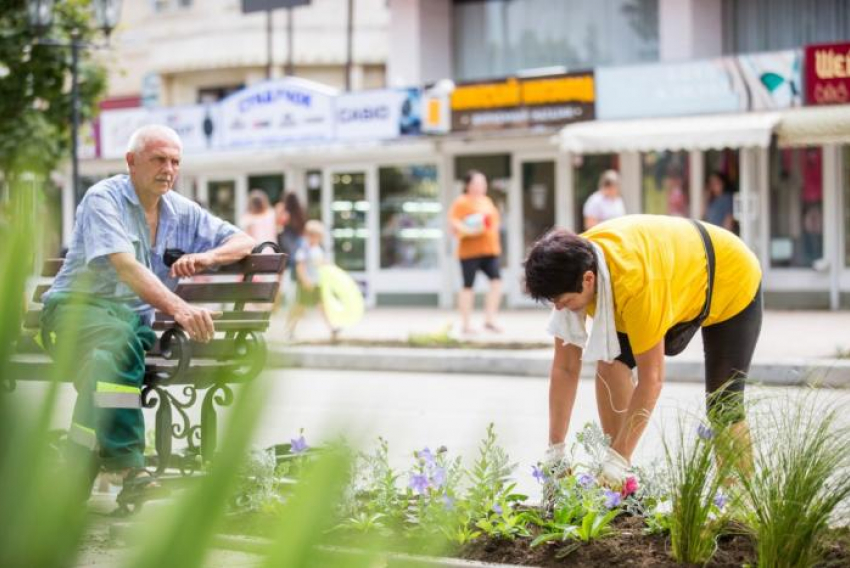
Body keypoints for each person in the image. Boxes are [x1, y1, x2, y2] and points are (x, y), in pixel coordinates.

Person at [40, 124, 255, 505]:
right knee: (119, 342)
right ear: (131, 162)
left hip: (128, 325)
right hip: (75, 312)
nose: (168, 169)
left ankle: (77, 463)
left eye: (175, 161)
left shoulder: (180, 211)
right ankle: (129, 466)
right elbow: (126, 267)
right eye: (158, 159)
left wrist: (208, 256)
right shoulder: (102, 198)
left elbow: (244, 241)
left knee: (108, 359)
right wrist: (181, 309)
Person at [523, 214, 762, 486]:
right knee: (610, 365)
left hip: (729, 278)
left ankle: (739, 502)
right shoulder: (572, 265)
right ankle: (623, 487)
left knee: (723, 404)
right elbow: (565, 367)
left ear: (588, 280)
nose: (560, 308)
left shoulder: (634, 283)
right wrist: (556, 450)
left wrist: (617, 461)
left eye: (564, 301)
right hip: (672, 276)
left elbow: (652, 380)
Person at [448, 170, 503, 335]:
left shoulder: (487, 201)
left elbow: (494, 223)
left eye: (483, 183)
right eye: (477, 183)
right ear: (468, 185)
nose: (481, 186)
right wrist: (467, 228)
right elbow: (453, 224)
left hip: (490, 250)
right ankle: (466, 325)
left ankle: (489, 320)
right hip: (469, 252)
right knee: (468, 286)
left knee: (496, 283)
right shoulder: (461, 202)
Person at [284, 220, 338, 341]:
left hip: (316, 282)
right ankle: (290, 330)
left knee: (321, 306)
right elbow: (300, 266)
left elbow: (318, 262)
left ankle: (331, 327)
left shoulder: (317, 248)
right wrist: (305, 280)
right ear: (309, 235)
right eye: (316, 236)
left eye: (319, 237)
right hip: (306, 283)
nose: (318, 239)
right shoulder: (304, 248)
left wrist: (327, 265)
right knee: (299, 308)